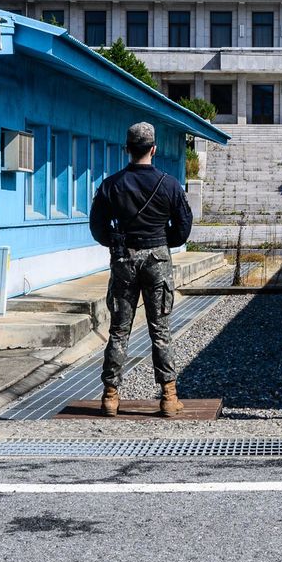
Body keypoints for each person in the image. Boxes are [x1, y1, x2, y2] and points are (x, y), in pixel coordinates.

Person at [88, 121, 193, 417]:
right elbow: (183, 228)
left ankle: (110, 396)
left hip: (124, 260)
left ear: (127, 149)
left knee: (119, 330)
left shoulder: (111, 185)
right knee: (160, 330)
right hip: (158, 259)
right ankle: (169, 397)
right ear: (154, 149)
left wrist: (116, 243)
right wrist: (162, 241)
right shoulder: (170, 184)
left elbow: (97, 227)